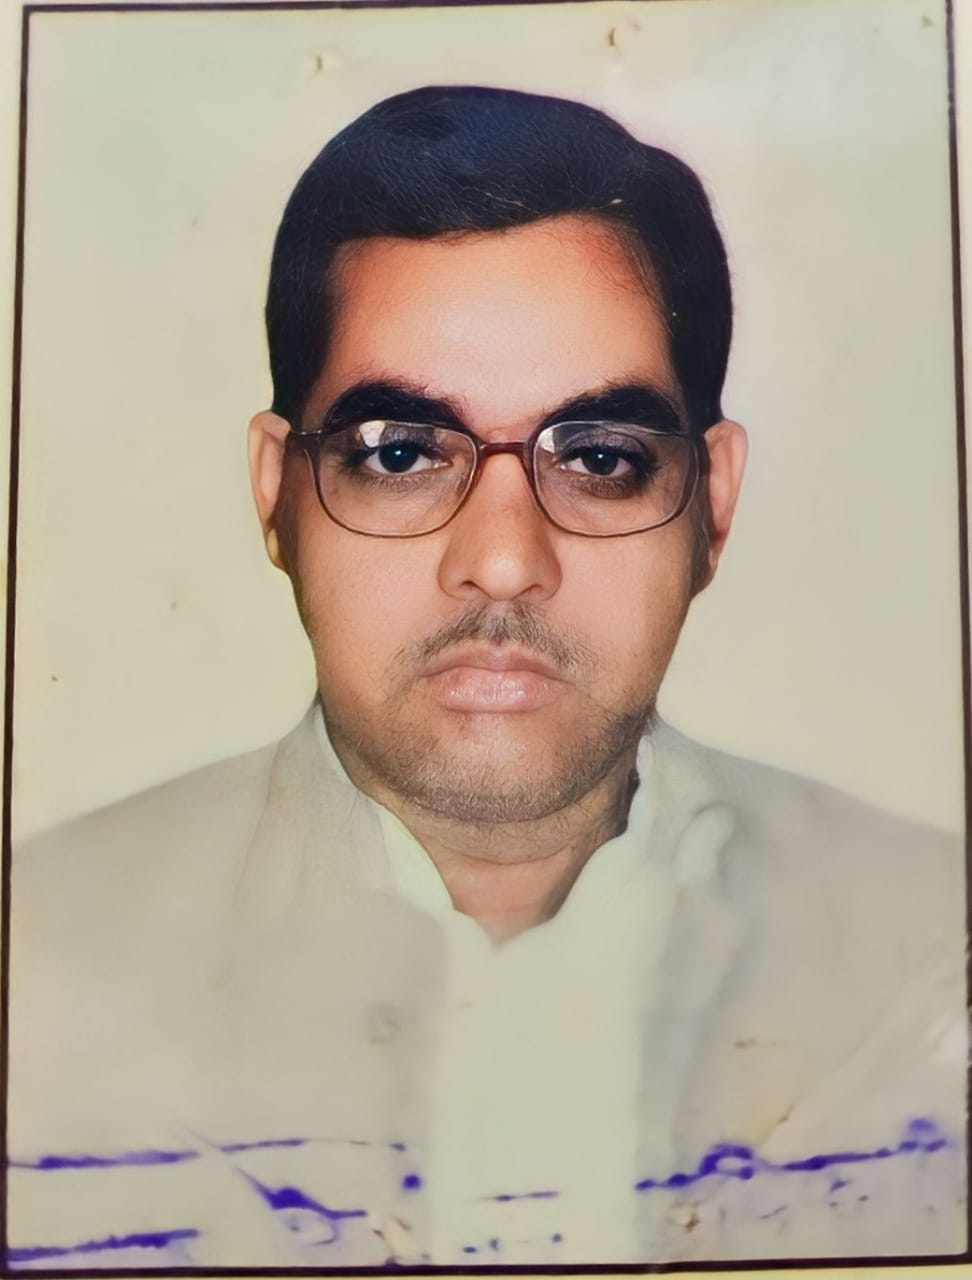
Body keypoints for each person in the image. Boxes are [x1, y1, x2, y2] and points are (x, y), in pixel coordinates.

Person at [9, 85, 966, 1269]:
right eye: (400, 453)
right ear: (275, 493)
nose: (506, 560)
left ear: (712, 505)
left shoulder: (934, 956)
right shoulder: (35, 959)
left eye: (601, 457)